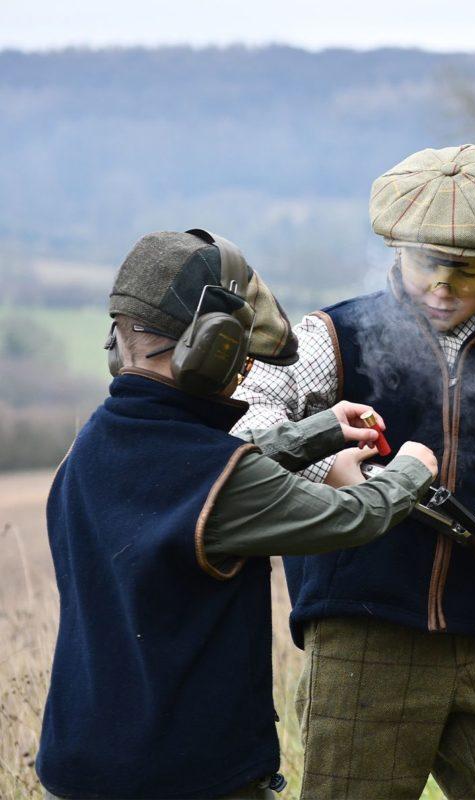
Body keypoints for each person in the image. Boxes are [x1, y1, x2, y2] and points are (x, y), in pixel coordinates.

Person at [232, 145, 475, 800]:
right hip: (363, 633)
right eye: (424, 264)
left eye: (464, 271)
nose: (440, 287)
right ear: (397, 249)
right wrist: (324, 463)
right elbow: (244, 426)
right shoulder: (332, 335)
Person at [36, 228, 439, 800]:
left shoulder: (90, 448)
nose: (245, 369)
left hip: (75, 772)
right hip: (189, 780)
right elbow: (356, 514)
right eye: (241, 354)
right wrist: (415, 468)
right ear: (212, 348)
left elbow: (196, 480)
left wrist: (321, 432)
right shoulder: (218, 479)